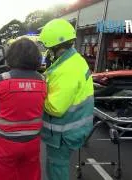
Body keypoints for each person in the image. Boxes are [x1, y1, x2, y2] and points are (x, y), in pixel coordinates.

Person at [39, 19, 94, 180]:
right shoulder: (73, 60)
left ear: (56, 47)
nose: (47, 52)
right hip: (71, 129)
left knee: (57, 169)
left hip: (63, 134)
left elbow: (55, 108)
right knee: (54, 166)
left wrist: (35, 96)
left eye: (48, 48)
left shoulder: (67, 70)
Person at [0, 38, 47, 180]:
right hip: (32, 142)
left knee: (2, 175)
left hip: (6, 143)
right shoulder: (43, 81)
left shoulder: (0, 80)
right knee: (30, 175)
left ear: (11, 56)